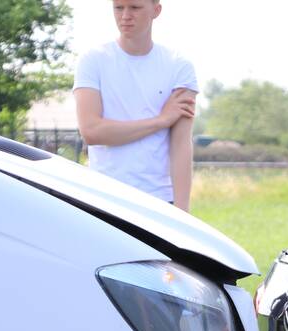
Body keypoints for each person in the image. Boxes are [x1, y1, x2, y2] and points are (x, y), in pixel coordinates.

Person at [74, 1, 198, 211]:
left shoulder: (179, 67)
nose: (125, 16)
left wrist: (183, 214)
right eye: (118, 8)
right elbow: (92, 132)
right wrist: (160, 121)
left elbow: (181, 146)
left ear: (156, 11)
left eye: (135, 7)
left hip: (159, 201)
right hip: (104, 200)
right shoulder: (92, 60)